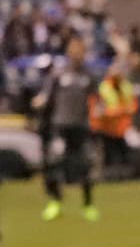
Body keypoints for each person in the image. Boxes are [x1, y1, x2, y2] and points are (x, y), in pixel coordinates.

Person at [32, 35, 100, 222]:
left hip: (82, 127)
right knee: (54, 163)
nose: (77, 53)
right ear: (69, 51)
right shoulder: (58, 74)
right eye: (74, 48)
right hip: (60, 126)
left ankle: (88, 206)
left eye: (80, 49)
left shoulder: (89, 76)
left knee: (85, 166)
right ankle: (55, 203)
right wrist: (40, 103)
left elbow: (97, 101)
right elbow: (46, 96)